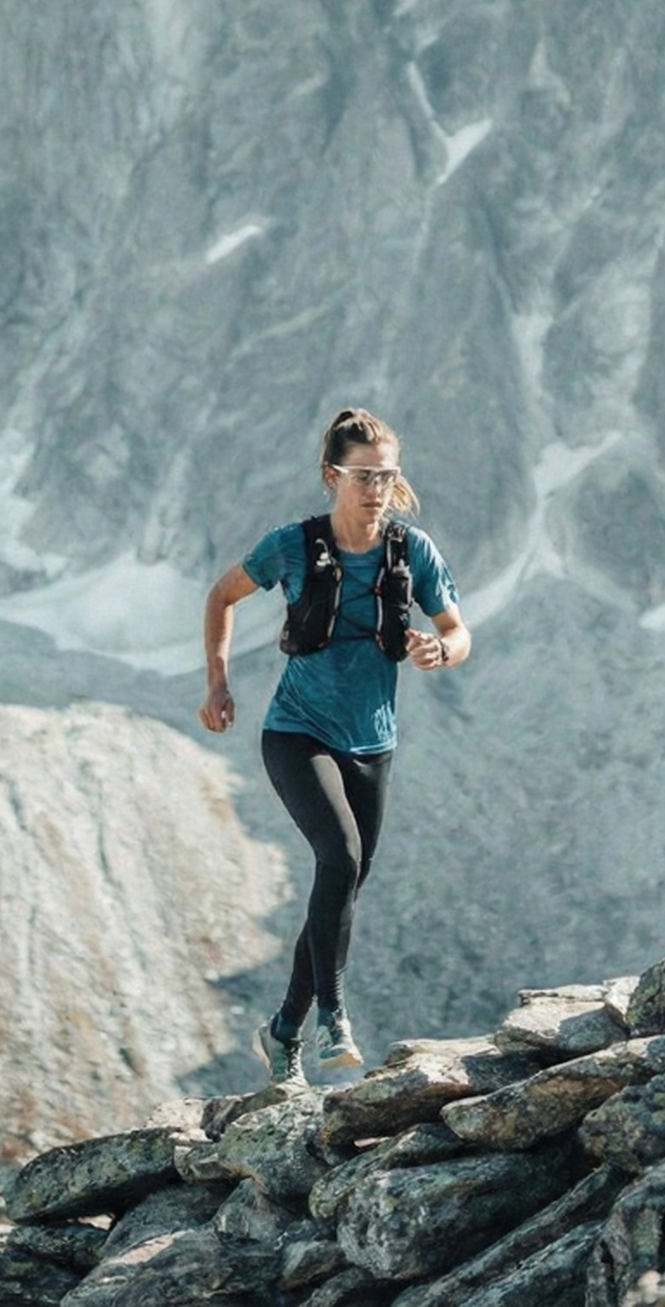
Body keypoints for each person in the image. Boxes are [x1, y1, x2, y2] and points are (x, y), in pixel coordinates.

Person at [199, 405, 470, 1086]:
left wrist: (441, 650)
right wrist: (219, 683)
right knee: (340, 856)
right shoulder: (293, 545)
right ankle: (332, 1020)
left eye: (387, 475)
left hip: (373, 744)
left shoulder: (414, 551)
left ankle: (283, 1027)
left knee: (342, 881)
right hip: (297, 734)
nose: (377, 488)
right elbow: (222, 595)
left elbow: (458, 631)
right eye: (364, 475)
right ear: (332, 475)